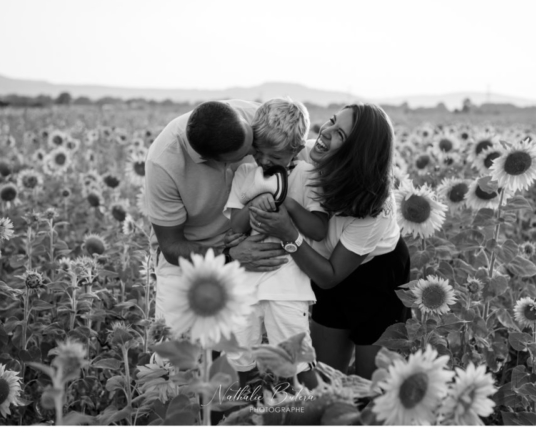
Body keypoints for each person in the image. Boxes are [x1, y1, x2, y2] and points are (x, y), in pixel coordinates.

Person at [248, 103, 411, 380]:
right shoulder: (306, 153)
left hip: (377, 278)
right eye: (332, 122)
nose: (325, 133)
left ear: (357, 153)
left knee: (373, 386)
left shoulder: (374, 205)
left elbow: (330, 277)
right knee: (324, 377)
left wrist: (289, 234)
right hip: (320, 265)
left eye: (340, 135)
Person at [144, 99, 289, 320]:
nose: (257, 153)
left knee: (240, 347)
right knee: (173, 345)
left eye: (253, 142)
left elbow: (299, 153)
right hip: (191, 257)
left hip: (252, 246)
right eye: (246, 153)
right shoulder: (163, 161)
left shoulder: (258, 118)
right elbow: (172, 246)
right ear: (216, 161)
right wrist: (229, 257)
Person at [223, 98, 327, 388]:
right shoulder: (245, 174)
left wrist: (290, 208)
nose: (265, 161)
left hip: (288, 285)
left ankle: (313, 414)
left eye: (275, 155)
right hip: (244, 285)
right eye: (259, 152)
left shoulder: (308, 175)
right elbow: (235, 225)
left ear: (296, 148)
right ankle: (242, 419)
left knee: (295, 362)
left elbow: (318, 230)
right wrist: (255, 201)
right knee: (238, 360)